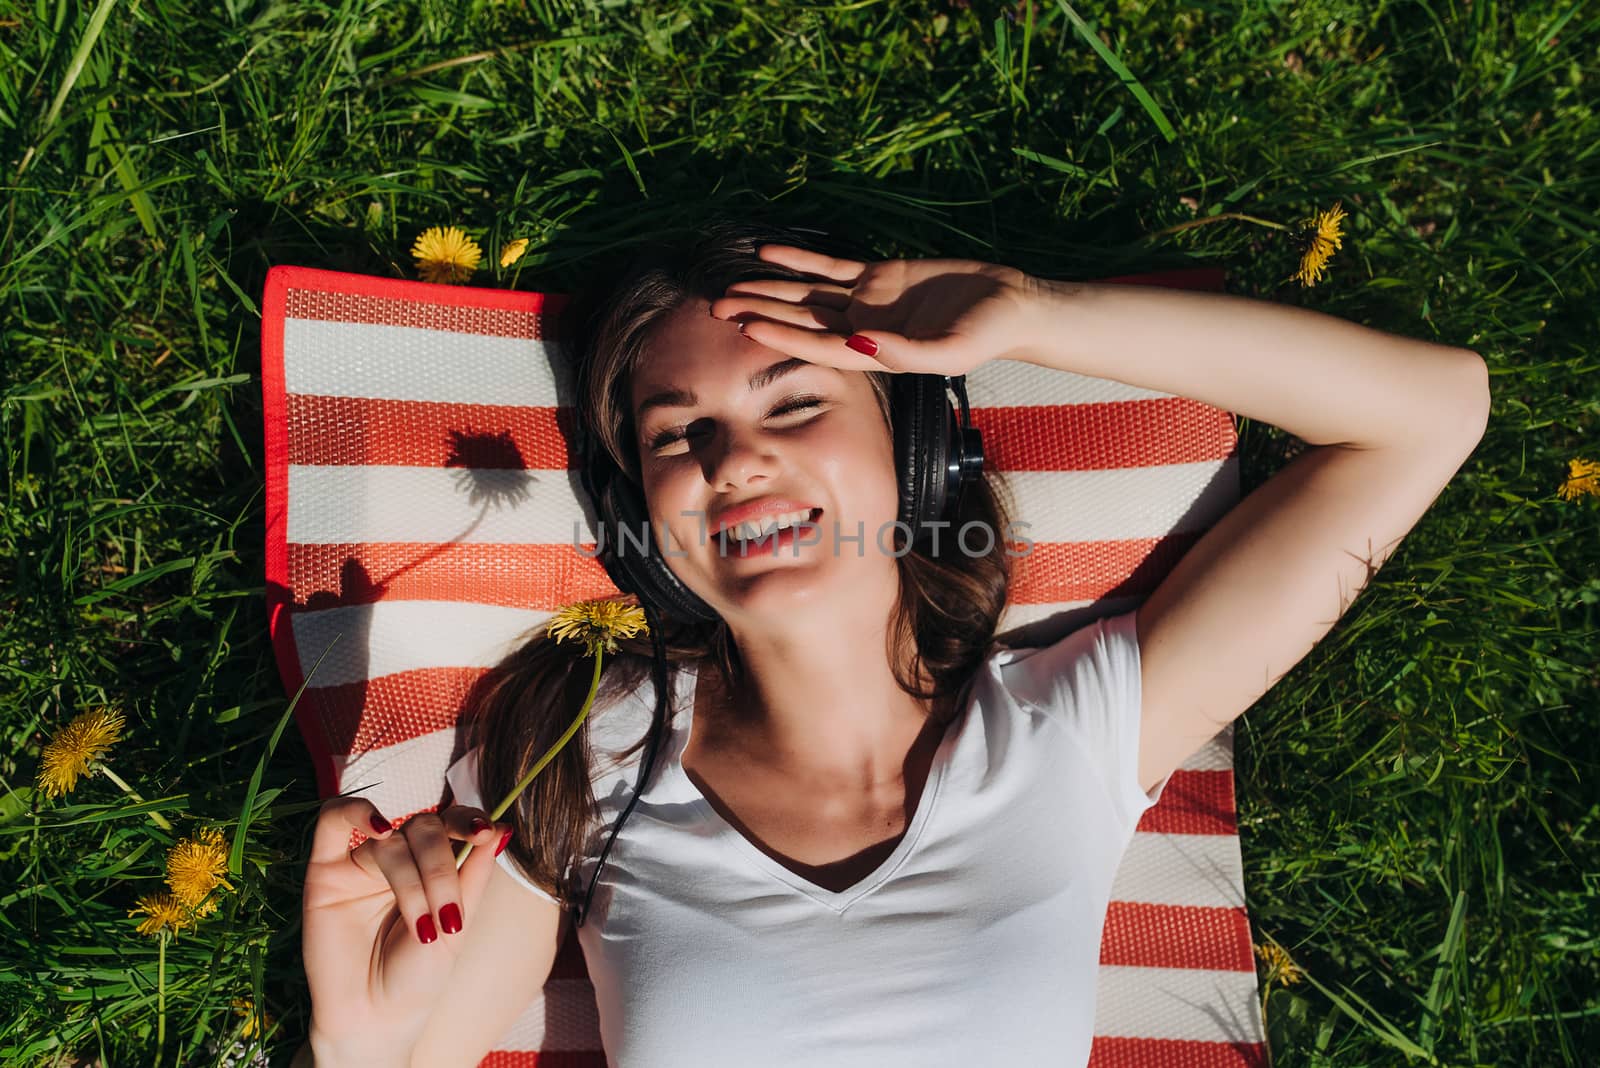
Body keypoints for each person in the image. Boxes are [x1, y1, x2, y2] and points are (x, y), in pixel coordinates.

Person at [297, 220, 1490, 1068]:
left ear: (914, 450)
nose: (734, 461)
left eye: (795, 401)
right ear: (639, 514)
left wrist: (1035, 316)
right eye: (678, 435)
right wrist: (356, 1042)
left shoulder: (1072, 733)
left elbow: (1431, 414)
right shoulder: (584, 746)